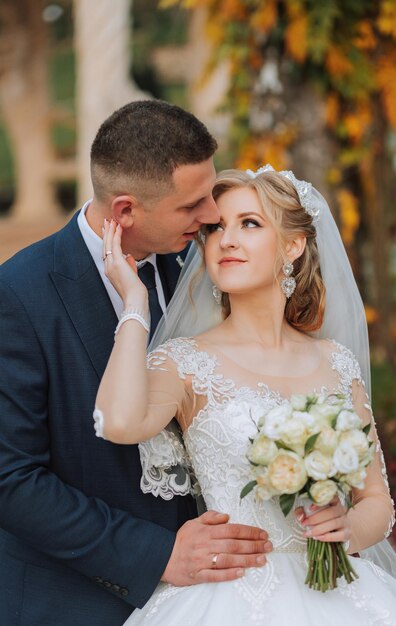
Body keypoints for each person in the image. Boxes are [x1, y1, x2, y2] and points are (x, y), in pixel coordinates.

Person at [95, 166, 396, 625]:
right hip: (228, 598)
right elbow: (118, 422)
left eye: (249, 223)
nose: (226, 240)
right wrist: (134, 304)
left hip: (343, 597)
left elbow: (377, 501)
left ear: (293, 245)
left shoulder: (336, 363)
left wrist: (346, 529)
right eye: (215, 228)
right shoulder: (183, 362)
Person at [0, 101, 271, 626]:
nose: (212, 217)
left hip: (228, 594)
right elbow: (11, 480)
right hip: (75, 601)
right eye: (192, 205)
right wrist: (157, 554)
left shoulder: (209, 263)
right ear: (125, 211)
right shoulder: (19, 295)